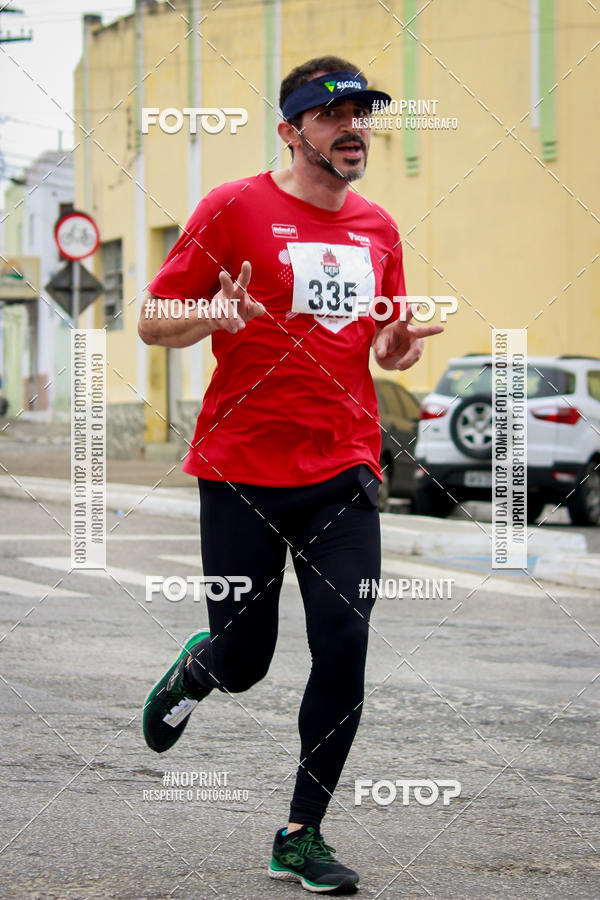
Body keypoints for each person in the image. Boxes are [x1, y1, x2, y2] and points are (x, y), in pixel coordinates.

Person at [138, 55, 443, 895]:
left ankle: (301, 834)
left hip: (343, 465)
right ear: (291, 131)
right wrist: (211, 313)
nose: (355, 129)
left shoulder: (378, 229)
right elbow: (152, 319)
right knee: (246, 659)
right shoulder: (233, 208)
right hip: (241, 467)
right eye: (334, 114)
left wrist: (396, 349)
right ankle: (199, 671)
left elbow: (383, 341)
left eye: (363, 115)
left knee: (345, 641)